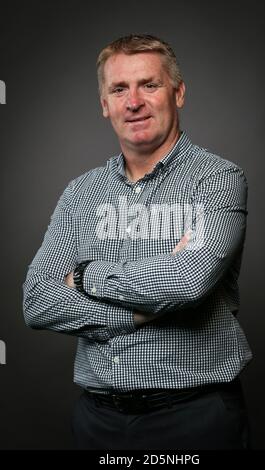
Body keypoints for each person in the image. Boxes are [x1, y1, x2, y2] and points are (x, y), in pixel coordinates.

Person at [23, 34, 252, 450]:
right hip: (98, 422)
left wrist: (87, 275)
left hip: (195, 419)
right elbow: (38, 301)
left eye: (149, 85)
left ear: (178, 93)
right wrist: (136, 314)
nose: (134, 102)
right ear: (104, 105)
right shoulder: (80, 193)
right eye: (119, 89)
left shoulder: (217, 179)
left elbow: (187, 283)